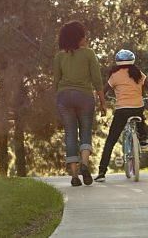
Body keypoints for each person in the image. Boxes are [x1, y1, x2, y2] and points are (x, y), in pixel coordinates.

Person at [54, 20, 107, 186]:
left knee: (70, 133)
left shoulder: (59, 56)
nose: (86, 37)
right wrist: (103, 102)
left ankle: (75, 176)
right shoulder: (88, 53)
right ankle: (84, 165)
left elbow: (56, 81)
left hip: (63, 97)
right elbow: (97, 80)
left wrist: (59, 100)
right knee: (85, 131)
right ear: (77, 37)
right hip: (84, 96)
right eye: (83, 34)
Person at [94, 49, 148, 182]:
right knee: (139, 113)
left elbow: (102, 92)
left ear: (118, 62)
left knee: (110, 141)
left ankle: (102, 173)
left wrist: (107, 98)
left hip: (122, 110)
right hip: (137, 108)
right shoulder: (138, 74)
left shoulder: (115, 75)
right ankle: (143, 139)